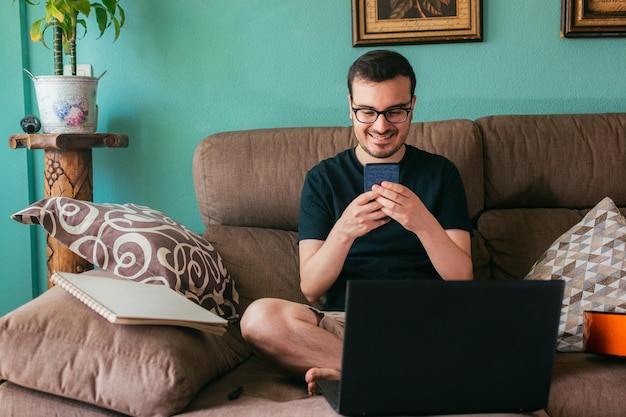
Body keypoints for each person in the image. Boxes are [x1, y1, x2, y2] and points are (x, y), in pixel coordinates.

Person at [240, 49, 473, 395]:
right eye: (367, 112)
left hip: (426, 321)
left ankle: (357, 374)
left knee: (505, 328)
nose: (381, 126)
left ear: (412, 105)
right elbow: (311, 288)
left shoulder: (441, 174)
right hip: (347, 324)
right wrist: (345, 229)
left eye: (395, 111)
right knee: (258, 319)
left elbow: (462, 278)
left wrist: (422, 222)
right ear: (351, 106)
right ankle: (395, 377)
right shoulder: (323, 179)